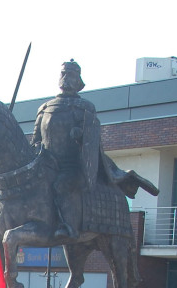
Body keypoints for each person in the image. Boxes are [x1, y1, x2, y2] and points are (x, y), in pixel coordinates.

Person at [32, 59, 157, 239]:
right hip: (47, 165)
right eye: (63, 74)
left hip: (72, 166)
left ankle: (68, 226)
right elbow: (35, 140)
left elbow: (93, 139)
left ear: (78, 81)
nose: (66, 78)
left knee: (61, 185)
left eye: (71, 75)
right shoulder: (44, 108)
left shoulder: (85, 107)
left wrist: (80, 135)